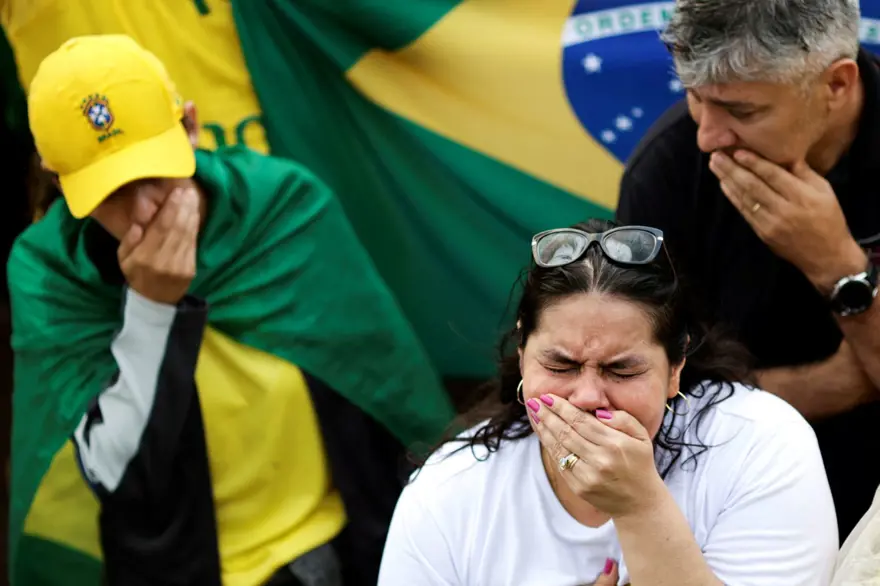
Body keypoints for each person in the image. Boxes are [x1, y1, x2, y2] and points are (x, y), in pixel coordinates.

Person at [7, 35, 455, 586]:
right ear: (58, 179)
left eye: (153, 172)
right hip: (176, 568)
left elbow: (387, 385)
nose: (144, 210)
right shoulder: (53, 271)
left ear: (191, 127)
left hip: (327, 549)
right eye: (111, 192)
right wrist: (150, 307)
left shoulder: (282, 205)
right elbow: (118, 476)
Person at [377, 219, 838, 586]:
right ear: (522, 357)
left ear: (676, 366)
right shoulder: (449, 491)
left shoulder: (759, 445)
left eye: (623, 370)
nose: (587, 397)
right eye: (560, 365)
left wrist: (640, 506)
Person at [615, 0, 880, 541]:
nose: (708, 136)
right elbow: (648, 398)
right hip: (730, 492)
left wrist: (836, 265)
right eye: (695, 98)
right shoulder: (667, 171)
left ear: (836, 84)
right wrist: (829, 386)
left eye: (742, 111)